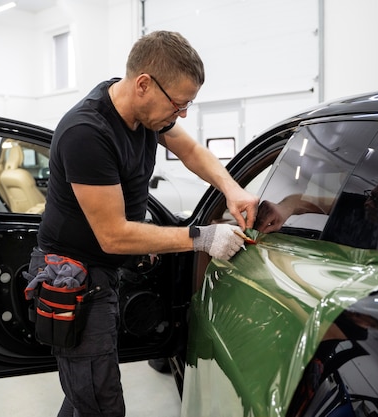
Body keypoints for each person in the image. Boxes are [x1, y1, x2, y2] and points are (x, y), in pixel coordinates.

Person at [25, 31, 259, 417]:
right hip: (73, 278)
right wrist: (202, 237)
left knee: (85, 393)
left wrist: (233, 191)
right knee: (101, 403)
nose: (181, 115)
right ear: (144, 84)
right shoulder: (87, 133)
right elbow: (114, 234)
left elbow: (190, 150)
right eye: (179, 104)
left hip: (105, 271)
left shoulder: (144, 112)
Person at [255, 177, 378, 259]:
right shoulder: (358, 204)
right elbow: (304, 201)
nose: (368, 204)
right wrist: (285, 208)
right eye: (371, 195)